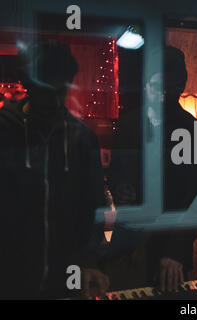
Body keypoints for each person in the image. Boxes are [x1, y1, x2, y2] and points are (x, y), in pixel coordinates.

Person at [0, 39, 109, 299]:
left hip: (65, 282)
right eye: (46, 90)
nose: (53, 99)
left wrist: (91, 261)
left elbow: (94, 206)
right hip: (10, 280)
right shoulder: (4, 131)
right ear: (30, 86)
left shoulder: (82, 138)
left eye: (60, 91)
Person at [107, 46, 197, 292]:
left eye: (166, 86)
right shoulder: (128, 124)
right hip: (127, 248)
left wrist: (175, 251)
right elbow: (115, 175)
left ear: (178, 87)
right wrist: (121, 190)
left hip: (168, 254)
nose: (159, 93)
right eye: (153, 85)